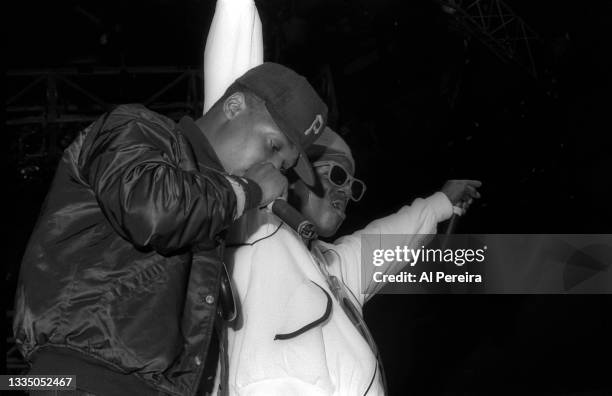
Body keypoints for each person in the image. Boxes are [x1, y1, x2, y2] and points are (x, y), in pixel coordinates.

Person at [12, 60, 329, 395]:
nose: (274, 170)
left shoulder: (214, 210)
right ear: (235, 106)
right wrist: (249, 189)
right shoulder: (136, 127)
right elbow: (150, 211)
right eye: (273, 146)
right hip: (81, 379)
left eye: (283, 166)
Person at [221, 128, 481, 396]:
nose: (346, 190)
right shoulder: (255, 227)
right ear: (293, 176)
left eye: (353, 186)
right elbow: (233, 135)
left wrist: (442, 202)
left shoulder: (333, 264)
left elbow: (386, 238)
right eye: (336, 175)